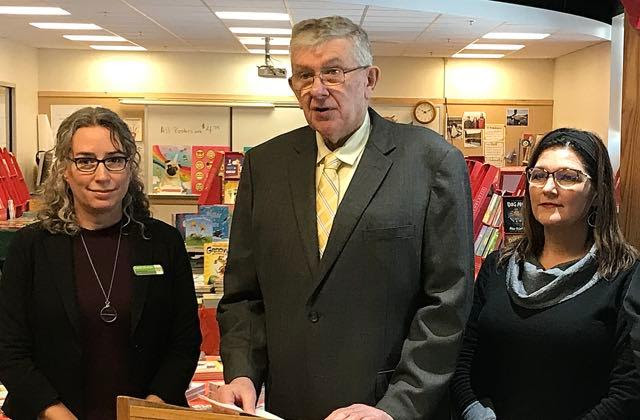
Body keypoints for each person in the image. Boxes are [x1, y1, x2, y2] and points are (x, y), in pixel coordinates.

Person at [215, 15, 474, 420]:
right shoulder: (264, 166)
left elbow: (447, 303)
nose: (316, 90)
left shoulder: (431, 163)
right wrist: (243, 373)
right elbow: (244, 294)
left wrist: (397, 406)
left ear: (370, 79)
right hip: (290, 405)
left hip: (385, 406)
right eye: (304, 75)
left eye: (333, 72)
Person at [0, 107, 201, 420]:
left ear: (129, 167)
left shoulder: (163, 243)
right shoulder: (31, 246)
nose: (102, 175)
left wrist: (149, 410)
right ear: (64, 169)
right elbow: (9, 348)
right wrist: (55, 414)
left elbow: (184, 342)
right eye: (85, 161)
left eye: (114, 160)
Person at [451, 128, 640, 419]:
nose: (549, 188)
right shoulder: (498, 267)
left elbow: (629, 390)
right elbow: (463, 358)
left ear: (597, 193)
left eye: (568, 177)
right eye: (538, 175)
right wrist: (474, 412)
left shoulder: (624, 276)